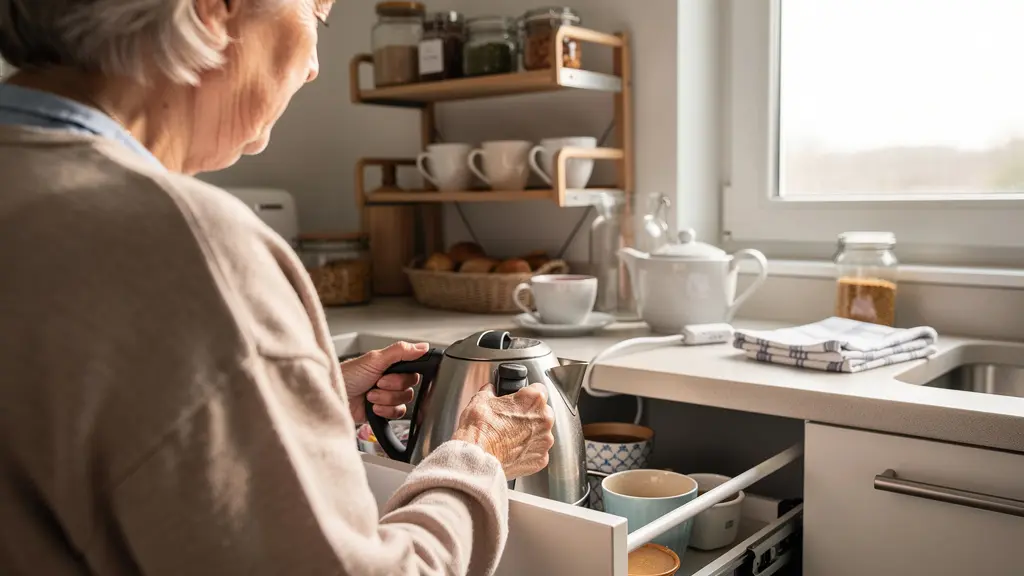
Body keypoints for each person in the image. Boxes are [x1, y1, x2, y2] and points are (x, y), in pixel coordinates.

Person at [0, 1, 556, 575]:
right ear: (214, 9)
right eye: (317, 13)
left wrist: (283, 405)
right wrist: (476, 460)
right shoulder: (189, 247)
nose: (315, 66)